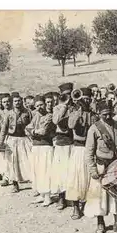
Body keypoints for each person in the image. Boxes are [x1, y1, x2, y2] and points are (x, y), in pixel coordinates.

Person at [84, 101, 117, 233]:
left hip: (116, 165)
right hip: (101, 166)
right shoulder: (94, 128)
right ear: (99, 114)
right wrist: (92, 170)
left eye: (110, 113)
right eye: (104, 115)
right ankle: (100, 223)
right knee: (100, 195)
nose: (108, 117)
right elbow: (89, 152)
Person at [66, 87, 99, 220]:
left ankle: (87, 203)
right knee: (76, 177)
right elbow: (71, 125)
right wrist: (79, 111)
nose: (85, 101)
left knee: (90, 177)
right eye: (83, 98)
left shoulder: (94, 115)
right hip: (79, 148)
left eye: (87, 98)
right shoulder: (74, 112)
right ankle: (75, 206)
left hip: (90, 148)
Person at [0, 92, 33, 193]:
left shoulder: (27, 112)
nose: (17, 103)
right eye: (15, 101)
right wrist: (0, 142)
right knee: (12, 162)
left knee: (27, 160)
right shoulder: (9, 114)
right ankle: (14, 184)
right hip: (12, 140)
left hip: (24, 139)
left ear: (21, 101)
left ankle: (32, 182)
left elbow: (32, 124)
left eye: (19, 101)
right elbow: (4, 128)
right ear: (12, 102)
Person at [26, 95, 55, 206]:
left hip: (45, 147)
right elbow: (26, 128)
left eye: (41, 105)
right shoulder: (36, 115)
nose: (39, 107)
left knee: (45, 171)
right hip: (36, 146)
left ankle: (48, 197)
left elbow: (43, 131)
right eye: (37, 106)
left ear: (45, 104)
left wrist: (32, 131)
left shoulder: (49, 116)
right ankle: (42, 195)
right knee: (37, 171)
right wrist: (34, 131)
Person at [51, 82, 75, 210]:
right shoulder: (57, 108)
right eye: (65, 95)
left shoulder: (75, 106)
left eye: (70, 94)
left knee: (73, 170)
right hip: (62, 141)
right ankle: (61, 197)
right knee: (61, 170)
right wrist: (64, 106)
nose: (69, 97)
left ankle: (73, 196)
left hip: (73, 140)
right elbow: (55, 121)